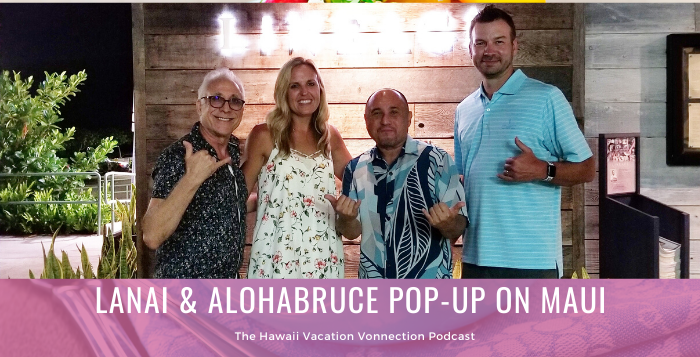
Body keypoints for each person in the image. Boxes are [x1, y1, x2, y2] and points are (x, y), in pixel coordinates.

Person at [454, 5, 595, 279]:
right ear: (470, 49)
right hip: (475, 257)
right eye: (480, 43)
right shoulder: (464, 110)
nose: (489, 50)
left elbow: (587, 168)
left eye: (499, 42)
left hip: (532, 261)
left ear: (514, 46)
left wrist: (543, 170)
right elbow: (462, 182)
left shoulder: (546, 98)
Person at [326, 89, 468, 279]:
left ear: (408, 118)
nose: (385, 121)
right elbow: (352, 233)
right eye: (377, 113)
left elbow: (458, 227)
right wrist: (346, 218)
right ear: (366, 120)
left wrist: (447, 223)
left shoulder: (438, 160)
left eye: (394, 112)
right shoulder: (355, 168)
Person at [242, 57, 351, 279]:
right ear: (284, 92)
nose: (304, 92)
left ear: (320, 89)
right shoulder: (264, 135)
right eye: (295, 86)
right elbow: (235, 197)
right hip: (275, 258)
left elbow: (362, 183)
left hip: (324, 259)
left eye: (310, 84)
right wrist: (264, 199)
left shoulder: (331, 138)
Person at [142, 67, 248, 279]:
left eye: (235, 100)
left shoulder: (233, 152)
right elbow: (152, 235)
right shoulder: (178, 155)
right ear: (199, 105)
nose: (226, 108)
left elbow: (226, 202)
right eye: (216, 99)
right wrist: (192, 179)